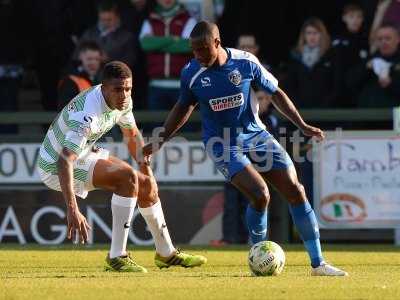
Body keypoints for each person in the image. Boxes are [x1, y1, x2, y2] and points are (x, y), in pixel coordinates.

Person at [143, 21, 348, 276]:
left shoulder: (245, 62)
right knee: (260, 194)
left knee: (296, 190)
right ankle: (258, 256)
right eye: (193, 50)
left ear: (217, 43)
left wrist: (302, 124)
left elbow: (276, 93)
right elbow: (183, 108)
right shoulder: (191, 72)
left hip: (256, 135)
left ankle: (318, 264)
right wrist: (160, 139)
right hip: (221, 143)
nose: (198, 55)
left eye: (203, 49)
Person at [37, 61, 206, 272]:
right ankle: (117, 256)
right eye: (118, 90)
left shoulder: (123, 101)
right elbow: (64, 160)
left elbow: (131, 134)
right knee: (127, 178)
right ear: (103, 87)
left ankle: (166, 253)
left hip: (82, 151)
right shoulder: (87, 115)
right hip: (53, 165)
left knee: (144, 184)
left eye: (128, 89)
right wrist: (72, 209)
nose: (124, 95)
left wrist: (147, 172)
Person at [139, 0, 196, 109]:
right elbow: (145, 44)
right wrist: (173, 40)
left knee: (184, 125)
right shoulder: (149, 20)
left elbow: (187, 46)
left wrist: (157, 44)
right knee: (157, 125)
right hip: (155, 85)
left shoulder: (189, 19)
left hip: (182, 86)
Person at [284, 17, 342, 108]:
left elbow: (336, 86)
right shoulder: (296, 57)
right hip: (301, 111)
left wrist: (325, 105)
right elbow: (290, 86)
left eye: (315, 33)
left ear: (322, 35)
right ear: (304, 35)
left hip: (326, 111)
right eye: (308, 33)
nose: (312, 37)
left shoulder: (331, 56)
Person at [347, 23, 400, 107]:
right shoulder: (369, 60)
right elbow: (350, 83)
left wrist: (391, 84)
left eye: (388, 38)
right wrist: (366, 69)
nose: (383, 42)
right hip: (368, 114)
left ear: (398, 39)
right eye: (380, 39)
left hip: (393, 115)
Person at [78, 0, 138, 68]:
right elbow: (76, 57)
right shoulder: (88, 34)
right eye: (102, 20)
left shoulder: (127, 38)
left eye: (109, 20)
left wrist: (109, 60)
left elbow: (130, 62)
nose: (105, 23)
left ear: (117, 18)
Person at [332, 4, 369, 106]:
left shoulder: (366, 41)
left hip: (360, 93)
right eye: (351, 16)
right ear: (344, 18)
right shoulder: (338, 42)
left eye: (359, 16)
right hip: (340, 94)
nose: (355, 20)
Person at [58, 41, 103, 110]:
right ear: (80, 58)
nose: (93, 63)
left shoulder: (100, 81)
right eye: (89, 59)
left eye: (97, 59)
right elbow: (66, 111)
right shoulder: (70, 81)